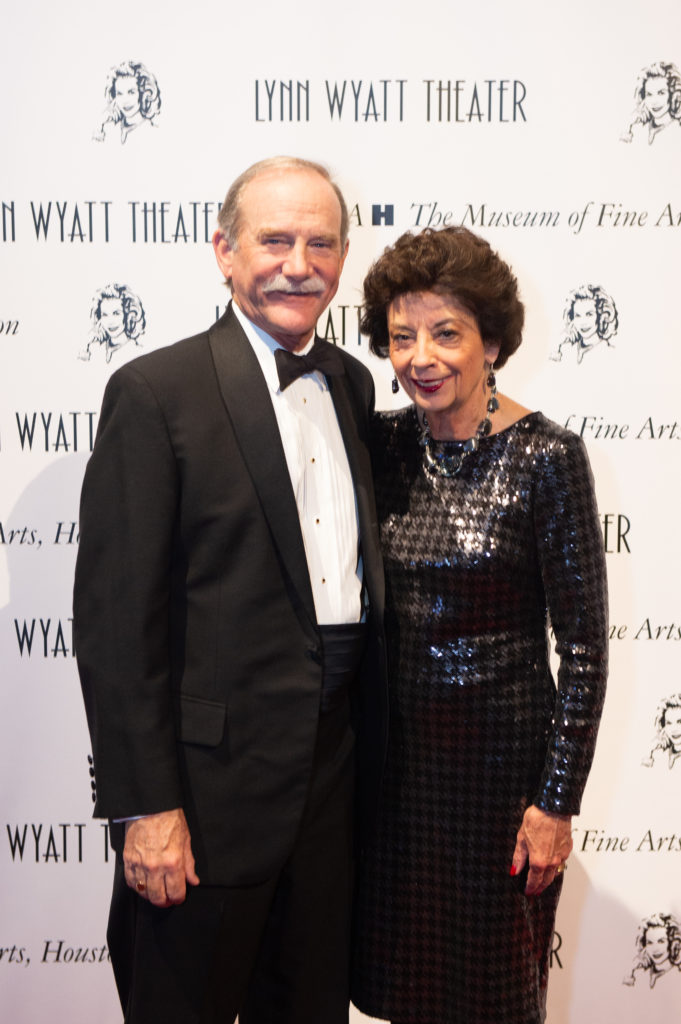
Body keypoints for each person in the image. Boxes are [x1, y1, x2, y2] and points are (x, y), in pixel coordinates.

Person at [74, 156, 386, 1024]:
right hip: (203, 809)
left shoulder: (353, 385)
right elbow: (114, 626)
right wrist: (146, 809)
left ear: (343, 256)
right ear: (223, 250)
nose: (298, 262)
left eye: (320, 242)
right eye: (274, 239)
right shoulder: (154, 392)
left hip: (331, 798)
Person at [351, 226, 608, 1024]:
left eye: (445, 332)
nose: (420, 356)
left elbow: (586, 648)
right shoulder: (380, 443)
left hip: (501, 786)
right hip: (392, 781)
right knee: (402, 990)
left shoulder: (546, 457)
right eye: (400, 337)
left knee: (492, 997)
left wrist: (554, 803)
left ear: (490, 341)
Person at [93, 60, 161, 143]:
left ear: (143, 94)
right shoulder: (109, 129)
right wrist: (99, 124)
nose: (125, 100)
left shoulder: (152, 131)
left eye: (131, 92)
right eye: (119, 94)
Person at [78, 283, 146, 362]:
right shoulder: (94, 349)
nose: (110, 322)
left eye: (116, 313)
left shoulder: (137, 351)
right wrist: (85, 343)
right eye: (105, 315)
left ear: (128, 315)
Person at [551, 284, 618, 363]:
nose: (583, 322)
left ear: (600, 316)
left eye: (589, 314)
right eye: (578, 316)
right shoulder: (566, 350)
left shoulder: (609, 352)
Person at [621, 61, 681, 145]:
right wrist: (627, 126)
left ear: (672, 95)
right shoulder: (638, 129)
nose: (654, 101)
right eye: (649, 94)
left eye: (661, 93)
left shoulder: (677, 130)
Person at [623, 913, 681, 988]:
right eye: (650, 943)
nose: (655, 949)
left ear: (672, 944)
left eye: (661, 941)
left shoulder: (677, 974)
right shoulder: (638, 974)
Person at [642, 694, 681, 769]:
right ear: (663, 727)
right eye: (669, 723)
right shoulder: (660, 754)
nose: (674, 729)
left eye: (680, 722)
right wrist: (649, 751)